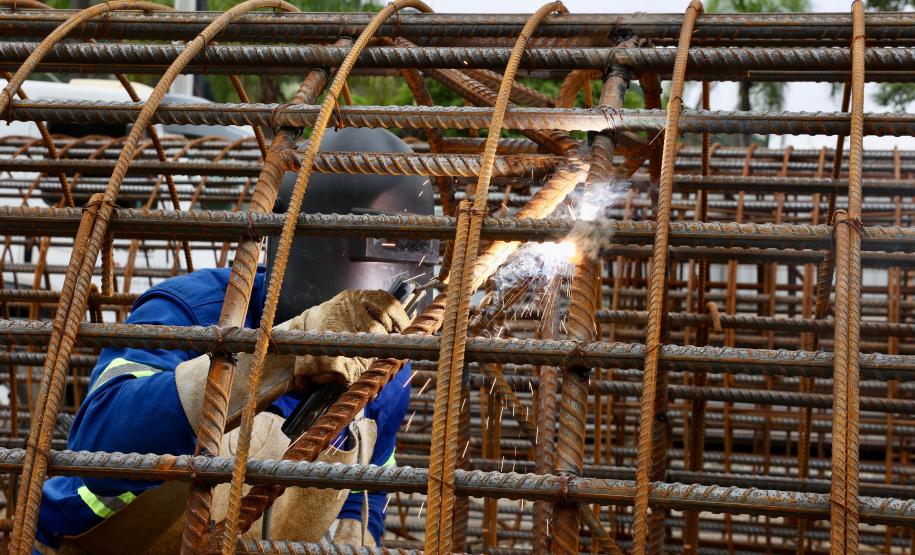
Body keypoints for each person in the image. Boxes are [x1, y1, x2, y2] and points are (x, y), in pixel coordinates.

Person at [34, 128, 436, 554]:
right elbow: (99, 440)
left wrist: (357, 532)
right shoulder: (194, 311)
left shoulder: (386, 361)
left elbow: (369, 475)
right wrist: (283, 354)